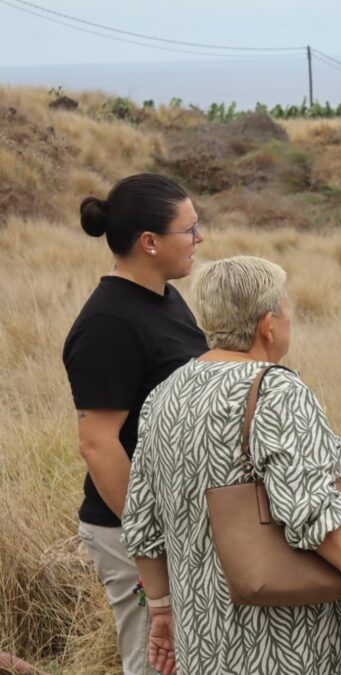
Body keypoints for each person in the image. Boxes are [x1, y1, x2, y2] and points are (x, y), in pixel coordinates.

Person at [121, 256, 341, 674]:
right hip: (286, 637)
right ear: (268, 324)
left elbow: (142, 521)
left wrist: (162, 611)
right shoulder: (275, 389)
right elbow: (310, 510)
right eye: (287, 309)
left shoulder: (166, 394)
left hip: (204, 635)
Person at [62, 173, 208, 675]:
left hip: (174, 523)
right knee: (156, 663)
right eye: (189, 229)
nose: (199, 238)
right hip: (130, 532)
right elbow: (99, 443)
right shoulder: (108, 324)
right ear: (149, 242)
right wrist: (150, 537)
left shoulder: (165, 297)